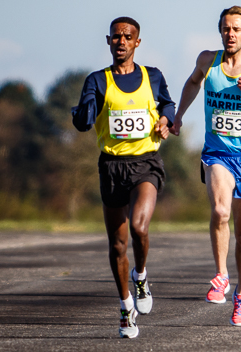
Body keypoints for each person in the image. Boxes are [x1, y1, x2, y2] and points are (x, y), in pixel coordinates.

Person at [172, 7, 241, 327]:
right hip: (217, 154)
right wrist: (178, 115)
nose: (229, 34)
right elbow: (192, 83)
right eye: (225, 28)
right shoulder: (208, 60)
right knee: (220, 211)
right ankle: (220, 275)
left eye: (236, 29)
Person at [72, 17, 175, 337]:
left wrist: (166, 121)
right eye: (116, 37)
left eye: (127, 37)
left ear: (137, 43)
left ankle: (141, 276)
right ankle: (125, 307)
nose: (121, 41)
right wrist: (83, 115)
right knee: (117, 245)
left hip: (145, 162)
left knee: (139, 226)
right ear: (108, 41)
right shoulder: (97, 80)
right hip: (112, 166)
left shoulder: (152, 76)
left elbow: (168, 105)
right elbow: (84, 118)